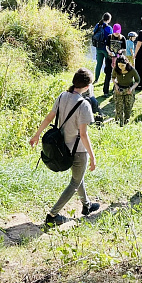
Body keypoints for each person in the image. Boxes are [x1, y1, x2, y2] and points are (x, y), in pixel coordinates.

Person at [29, 68, 99, 226]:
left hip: (61, 147)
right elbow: (83, 134)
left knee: (78, 177)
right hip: (78, 150)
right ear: (87, 87)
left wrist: (37, 134)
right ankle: (52, 215)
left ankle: (86, 205)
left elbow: (49, 117)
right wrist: (93, 156)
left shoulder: (62, 96)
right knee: (75, 182)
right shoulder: (84, 104)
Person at [112, 55, 140, 126]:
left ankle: (126, 123)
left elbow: (137, 80)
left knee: (128, 108)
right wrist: (116, 85)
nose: (120, 67)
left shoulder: (131, 70)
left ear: (126, 63)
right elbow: (113, 77)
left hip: (129, 90)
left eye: (122, 65)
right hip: (119, 90)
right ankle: (118, 124)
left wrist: (132, 88)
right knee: (119, 108)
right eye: (119, 65)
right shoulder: (116, 69)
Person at [104, 24, 126, 95]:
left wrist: (121, 51)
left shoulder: (122, 38)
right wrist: (109, 52)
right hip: (109, 58)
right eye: (115, 32)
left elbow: (124, 48)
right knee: (108, 74)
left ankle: (115, 89)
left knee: (117, 74)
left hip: (118, 59)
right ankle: (105, 91)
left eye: (118, 32)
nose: (116, 33)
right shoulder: (109, 37)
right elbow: (107, 46)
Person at [92, 13, 112, 85]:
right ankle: (107, 80)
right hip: (106, 49)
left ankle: (96, 79)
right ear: (109, 19)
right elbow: (111, 39)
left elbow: (94, 33)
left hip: (98, 48)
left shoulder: (97, 25)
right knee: (108, 65)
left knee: (98, 64)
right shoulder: (109, 28)